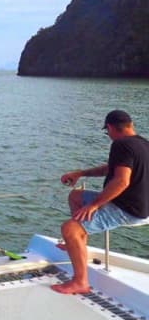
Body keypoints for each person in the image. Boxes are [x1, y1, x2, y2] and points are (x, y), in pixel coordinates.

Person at [56, 110, 149, 294]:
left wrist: (94, 205)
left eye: (107, 133)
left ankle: (80, 281)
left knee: (69, 229)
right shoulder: (143, 144)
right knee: (75, 196)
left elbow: (122, 181)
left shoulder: (121, 145)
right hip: (141, 206)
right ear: (130, 125)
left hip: (127, 209)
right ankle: (78, 243)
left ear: (110, 128)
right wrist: (80, 173)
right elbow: (110, 169)